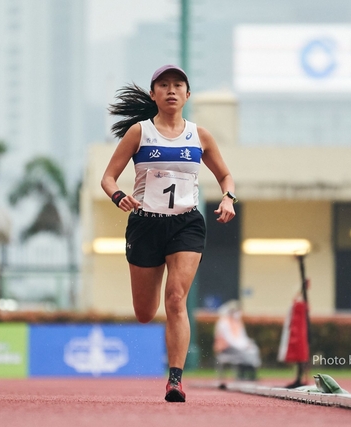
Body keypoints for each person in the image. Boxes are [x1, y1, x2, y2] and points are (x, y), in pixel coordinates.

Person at [101, 64, 237, 402]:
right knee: (146, 313)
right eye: (164, 85)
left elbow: (226, 177)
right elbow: (108, 178)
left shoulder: (200, 136)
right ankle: (170, 367)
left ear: (188, 95)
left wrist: (229, 198)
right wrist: (119, 196)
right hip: (145, 224)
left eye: (178, 85)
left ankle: (175, 380)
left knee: (176, 298)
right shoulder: (139, 133)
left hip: (186, 224)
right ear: (154, 94)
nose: (171, 90)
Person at [214, 300, 261, 384]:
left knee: (253, 349)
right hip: (227, 348)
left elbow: (243, 337)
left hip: (239, 346)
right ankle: (242, 373)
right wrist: (241, 346)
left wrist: (247, 344)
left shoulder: (238, 322)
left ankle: (251, 373)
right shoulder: (223, 323)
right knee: (243, 352)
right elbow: (229, 339)